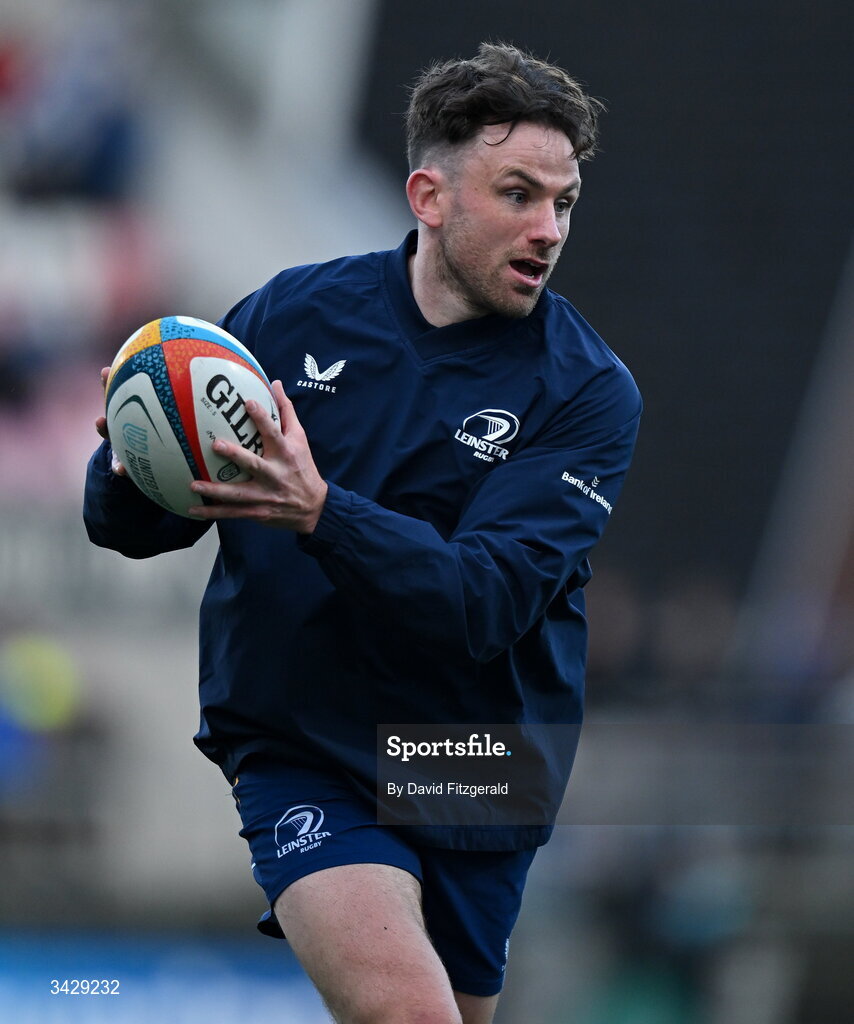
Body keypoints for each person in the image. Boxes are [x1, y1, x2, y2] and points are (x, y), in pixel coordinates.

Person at [84, 42, 641, 1024]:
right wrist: (131, 463)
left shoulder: (586, 393)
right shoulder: (291, 315)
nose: (547, 228)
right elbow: (131, 524)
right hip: (303, 740)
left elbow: (481, 604)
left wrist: (319, 509)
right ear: (428, 196)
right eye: (518, 193)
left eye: (563, 202)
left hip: (475, 755)